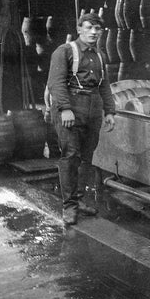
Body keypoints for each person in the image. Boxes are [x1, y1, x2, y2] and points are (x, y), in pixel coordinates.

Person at [46, 13, 116, 225]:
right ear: (79, 29)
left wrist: (110, 111)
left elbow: (104, 85)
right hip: (71, 106)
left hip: (93, 109)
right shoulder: (65, 51)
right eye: (89, 28)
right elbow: (55, 83)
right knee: (71, 155)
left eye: (98, 29)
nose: (94, 32)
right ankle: (69, 206)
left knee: (87, 156)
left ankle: (79, 199)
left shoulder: (99, 55)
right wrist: (65, 109)